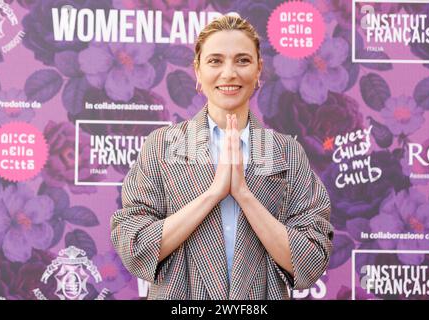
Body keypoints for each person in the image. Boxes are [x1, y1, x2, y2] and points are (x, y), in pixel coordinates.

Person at [110, 15, 334, 300]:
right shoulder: (161, 147)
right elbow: (135, 245)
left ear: (258, 70)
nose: (229, 73)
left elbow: (311, 258)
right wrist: (214, 193)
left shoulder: (287, 153)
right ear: (198, 70)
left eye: (242, 60)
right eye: (215, 61)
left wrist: (243, 194)